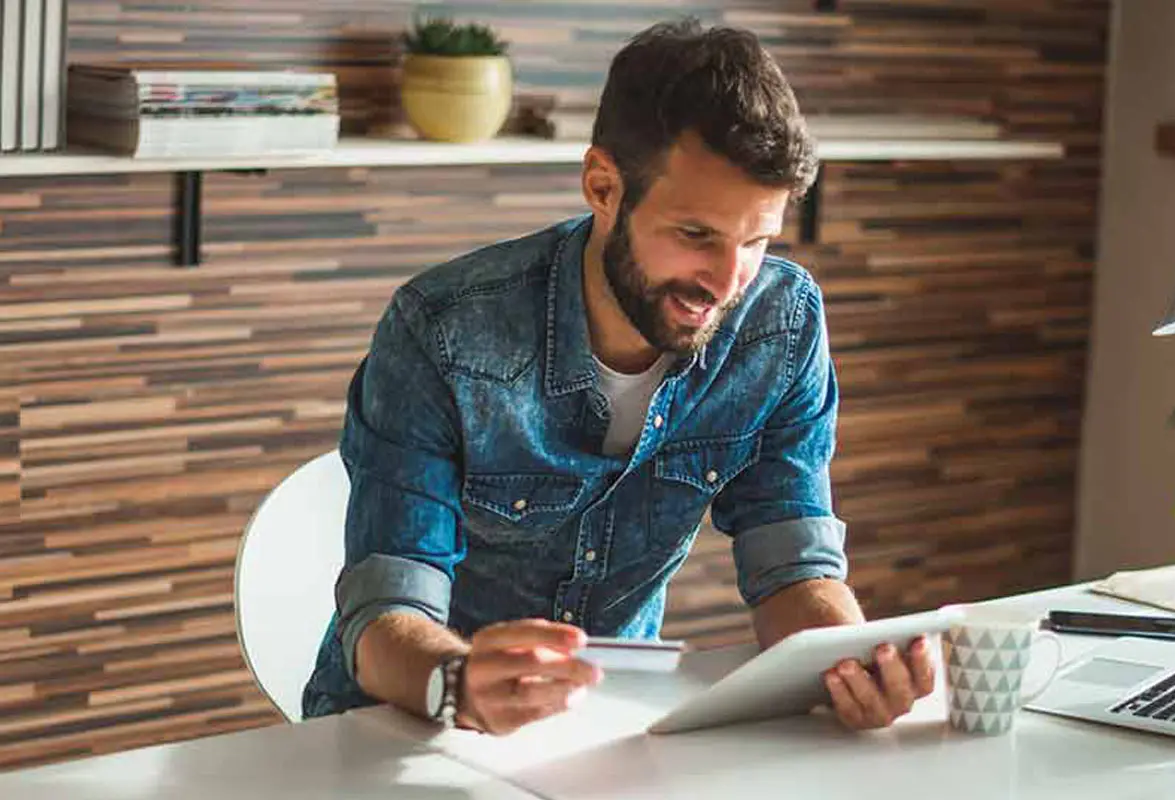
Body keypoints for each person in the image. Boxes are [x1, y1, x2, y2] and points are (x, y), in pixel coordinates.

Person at [302, 17, 936, 735]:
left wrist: (851, 667)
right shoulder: (443, 331)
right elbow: (387, 609)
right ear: (604, 186)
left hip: (609, 730)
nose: (728, 281)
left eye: (756, 240)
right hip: (401, 725)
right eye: (695, 235)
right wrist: (460, 683)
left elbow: (794, 565)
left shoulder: (779, 324)